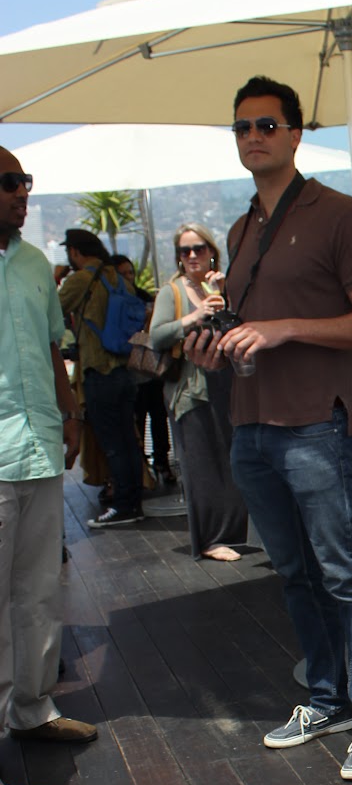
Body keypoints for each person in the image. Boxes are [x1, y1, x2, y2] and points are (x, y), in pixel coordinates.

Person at [186, 76, 352, 779]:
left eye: (267, 125)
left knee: (345, 576)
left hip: (315, 423)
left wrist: (285, 328)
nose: (253, 137)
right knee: (294, 576)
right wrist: (216, 347)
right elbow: (247, 329)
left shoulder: (341, 216)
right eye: (242, 127)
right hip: (250, 423)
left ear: (295, 134)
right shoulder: (242, 228)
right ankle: (326, 700)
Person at [0, 146, 98, 785]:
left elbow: (52, 348)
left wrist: (70, 416)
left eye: (24, 181)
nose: (21, 192)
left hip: (36, 446)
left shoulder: (36, 263)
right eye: (8, 182)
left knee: (38, 589)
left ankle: (32, 709)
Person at [149, 224, 248, 560]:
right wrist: (195, 316)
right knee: (200, 464)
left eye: (199, 248)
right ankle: (209, 539)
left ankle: (234, 532)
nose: (192, 255)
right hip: (190, 390)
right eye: (185, 250)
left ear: (211, 252)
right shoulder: (172, 292)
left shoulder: (221, 288)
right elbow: (157, 336)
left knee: (233, 459)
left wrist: (222, 298)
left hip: (227, 384)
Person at [59, 228, 145, 528]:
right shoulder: (118, 279)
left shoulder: (80, 280)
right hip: (125, 369)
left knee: (112, 443)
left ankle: (122, 505)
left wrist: (56, 279)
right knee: (128, 439)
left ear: (75, 252)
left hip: (98, 370)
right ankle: (134, 501)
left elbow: (50, 312)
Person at [113, 253, 175, 492]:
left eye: (130, 272)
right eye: (123, 274)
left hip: (150, 369)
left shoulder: (143, 298)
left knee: (158, 417)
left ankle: (162, 461)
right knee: (138, 419)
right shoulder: (117, 302)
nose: (128, 277)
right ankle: (144, 468)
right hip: (131, 372)